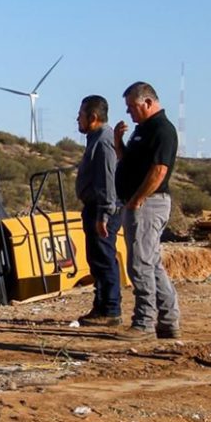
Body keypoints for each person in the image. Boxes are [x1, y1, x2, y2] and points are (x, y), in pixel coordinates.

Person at [114, 82, 180, 340]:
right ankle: (169, 321)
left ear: (148, 102)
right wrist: (118, 142)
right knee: (151, 263)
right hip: (139, 202)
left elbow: (159, 170)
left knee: (140, 264)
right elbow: (128, 162)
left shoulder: (162, 130)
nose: (129, 112)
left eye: (132, 106)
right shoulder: (142, 130)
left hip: (148, 204)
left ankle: (144, 322)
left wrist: (137, 200)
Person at [74, 96, 122, 326]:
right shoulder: (96, 139)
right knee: (96, 258)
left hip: (102, 210)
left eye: (81, 115)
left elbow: (107, 181)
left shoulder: (103, 142)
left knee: (103, 258)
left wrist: (104, 214)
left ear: (93, 117)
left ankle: (111, 310)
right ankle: (101, 306)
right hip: (95, 208)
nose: (77, 119)